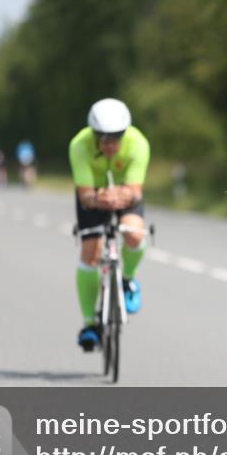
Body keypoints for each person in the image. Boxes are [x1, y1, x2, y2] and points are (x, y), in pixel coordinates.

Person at [69, 98, 151, 351]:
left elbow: (136, 191)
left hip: (126, 194)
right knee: (91, 251)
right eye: (103, 138)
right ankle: (90, 323)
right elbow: (84, 195)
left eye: (116, 137)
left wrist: (121, 196)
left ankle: (127, 279)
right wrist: (98, 198)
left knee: (135, 234)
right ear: (93, 134)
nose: (109, 144)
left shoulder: (138, 143)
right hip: (93, 196)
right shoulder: (79, 145)